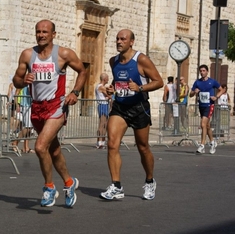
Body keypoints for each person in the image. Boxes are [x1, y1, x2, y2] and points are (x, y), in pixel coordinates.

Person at [13, 19, 86, 208]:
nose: (41, 35)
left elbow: (82, 71)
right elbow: (17, 80)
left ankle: (49, 187)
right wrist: (23, 80)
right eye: (38, 31)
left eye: (45, 32)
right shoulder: (28, 55)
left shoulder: (64, 54)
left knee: (39, 147)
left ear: (53, 34)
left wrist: (75, 92)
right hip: (36, 108)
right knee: (53, 151)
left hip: (56, 106)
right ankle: (70, 183)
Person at [99, 29, 163, 201]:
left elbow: (159, 81)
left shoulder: (141, 59)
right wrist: (112, 89)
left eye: (123, 39)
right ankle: (116, 186)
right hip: (120, 107)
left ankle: (150, 181)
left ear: (131, 42)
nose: (119, 41)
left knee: (142, 147)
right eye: (117, 39)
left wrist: (140, 88)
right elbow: (117, 81)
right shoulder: (114, 61)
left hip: (139, 107)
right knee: (112, 144)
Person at [190, 65, 223, 154]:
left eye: (204, 70)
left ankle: (202, 145)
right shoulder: (197, 82)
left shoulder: (212, 81)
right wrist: (194, 92)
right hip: (201, 105)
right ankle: (212, 142)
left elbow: (221, 89)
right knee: (207, 126)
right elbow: (190, 94)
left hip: (209, 105)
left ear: (207, 71)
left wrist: (216, 97)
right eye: (200, 71)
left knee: (203, 124)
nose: (202, 72)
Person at [11, 85, 34, 153]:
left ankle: (26, 147)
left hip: (32, 105)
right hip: (25, 105)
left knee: (30, 128)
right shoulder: (23, 82)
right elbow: (16, 93)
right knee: (28, 127)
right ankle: (15, 143)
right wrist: (17, 105)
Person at [95, 73, 111, 149]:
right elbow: (109, 95)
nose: (108, 79)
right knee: (102, 123)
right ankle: (99, 142)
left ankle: (103, 141)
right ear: (104, 79)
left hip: (105, 105)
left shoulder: (102, 87)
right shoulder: (101, 87)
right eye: (107, 78)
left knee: (105, 124)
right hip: (102, 105)